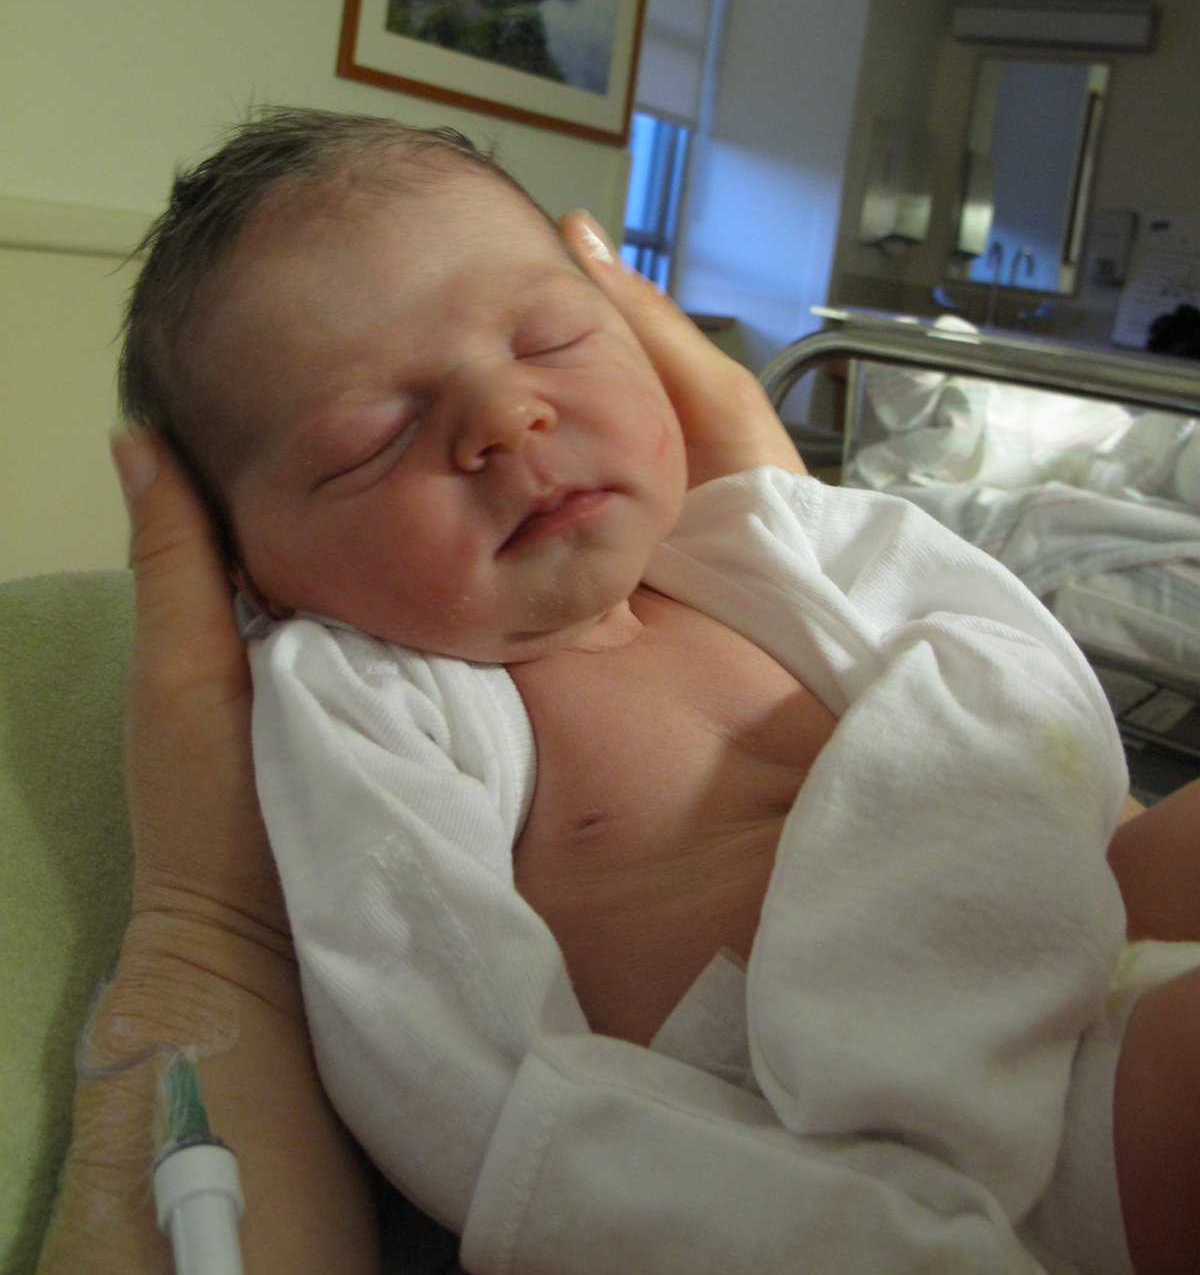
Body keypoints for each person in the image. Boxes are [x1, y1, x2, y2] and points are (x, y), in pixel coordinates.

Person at [51, 108, 1200, 1274]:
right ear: (257, 576)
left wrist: (1067, 829)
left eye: (550, 338)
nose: (506, 415)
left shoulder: (763, 537)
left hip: (1057, 933)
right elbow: (437, 1045)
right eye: (371, 438)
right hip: (857, 1146)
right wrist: (757, 1218)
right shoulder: (373, 694)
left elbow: (1003, 662)